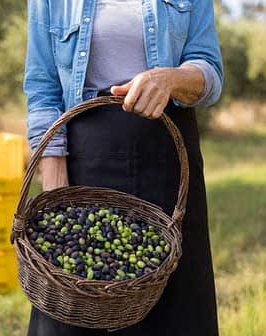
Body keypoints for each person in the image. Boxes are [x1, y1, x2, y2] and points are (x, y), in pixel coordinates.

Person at [23, 0, 223, 335]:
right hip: (87, 158)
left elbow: (210, 72)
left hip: (168, 159)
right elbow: (42, 88)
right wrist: (55, 181)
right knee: (74, 308)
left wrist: (171, 79)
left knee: (176, 313)